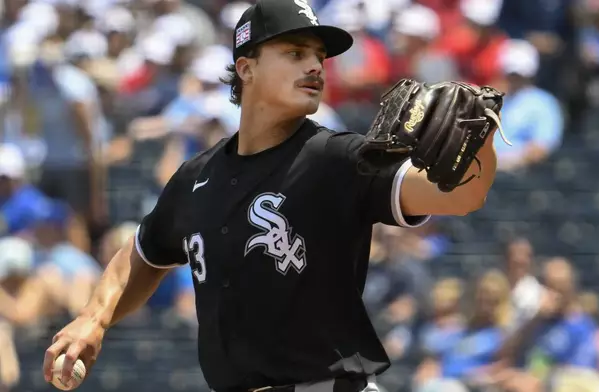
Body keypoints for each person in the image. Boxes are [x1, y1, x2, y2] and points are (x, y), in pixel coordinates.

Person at [42, 1, 499, 392]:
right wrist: (94, 318)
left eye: (320, 56)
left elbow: (459, 196)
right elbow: (143, 252)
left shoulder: (336, 157)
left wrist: (480, 139)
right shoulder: (196, 177)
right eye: (296, 52)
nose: (315, 66)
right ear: (247, 67)